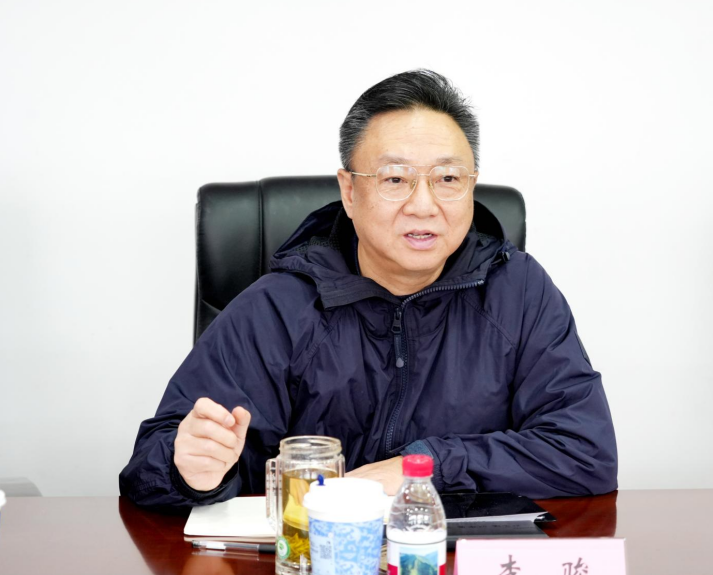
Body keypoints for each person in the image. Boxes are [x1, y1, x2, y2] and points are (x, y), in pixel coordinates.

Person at [120, 69, 618, 509]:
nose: (423, 205)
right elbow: (148, 468)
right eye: (395, 179)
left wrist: (423, 468)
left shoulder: (519, 292)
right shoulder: (277, 308)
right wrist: (190, 471)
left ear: (471, 185)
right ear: (349, 191)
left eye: (448, 178)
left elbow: (586, 451)